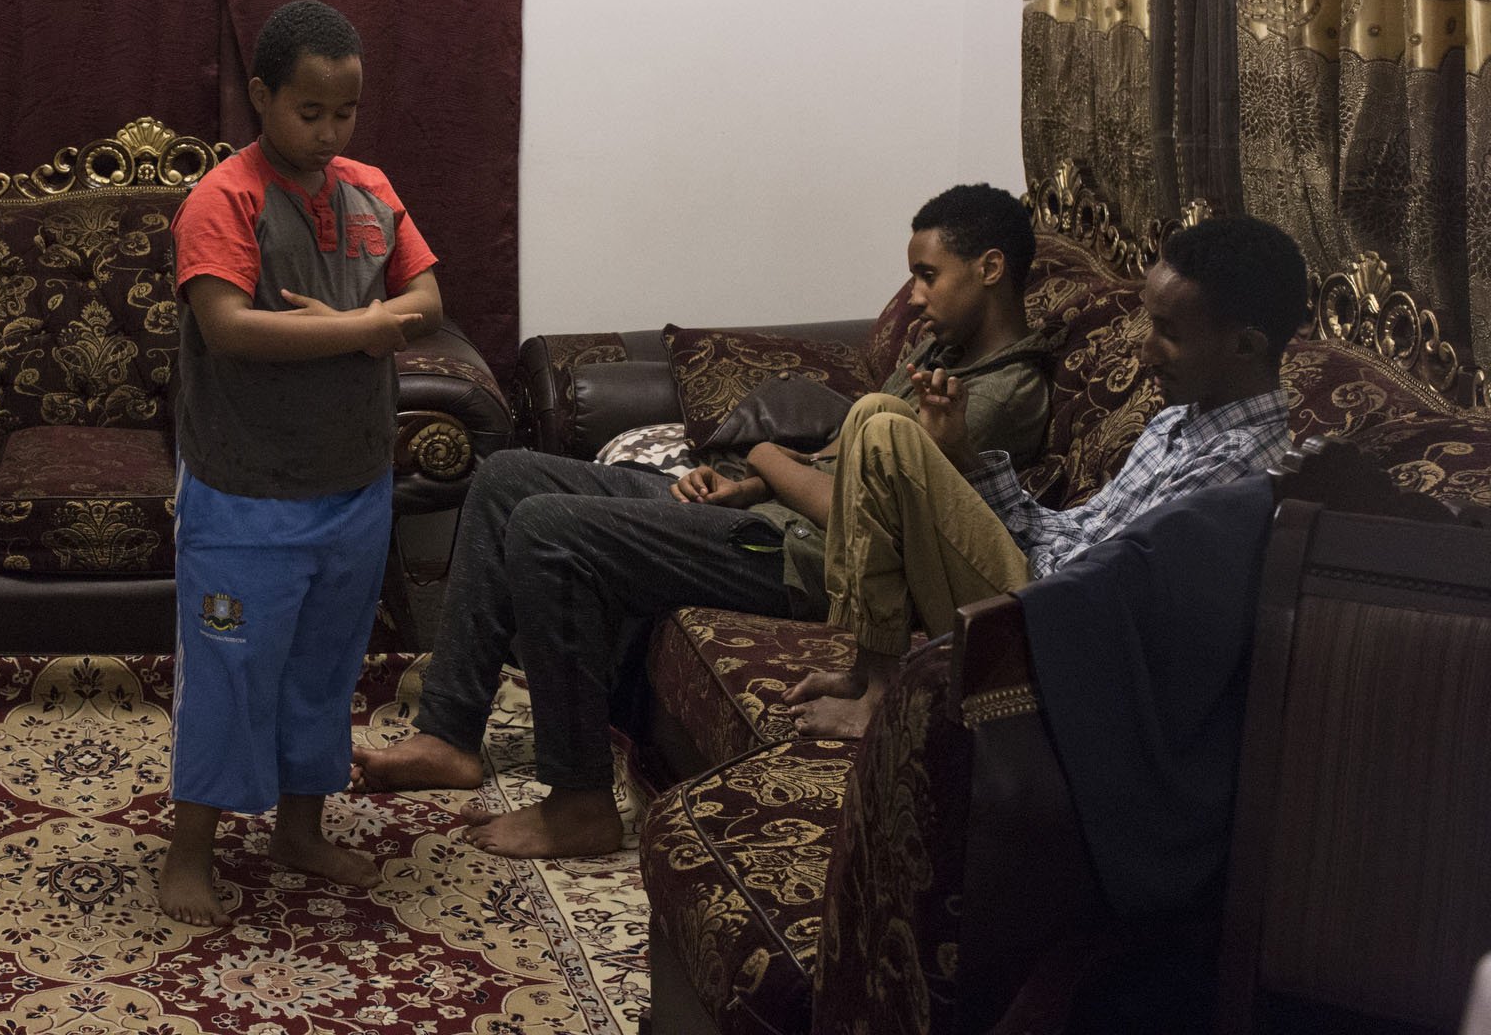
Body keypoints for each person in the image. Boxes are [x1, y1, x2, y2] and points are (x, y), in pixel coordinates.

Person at [355, 184, 1057, 857]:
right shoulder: (937, 356)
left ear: (990, 268)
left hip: (801, 556)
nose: (916, 297)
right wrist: (744, 483)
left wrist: (765, 454)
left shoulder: (1001, 392)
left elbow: (866, 525)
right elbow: (842, 459)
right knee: (507, 476)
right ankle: (448, 732)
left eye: (929, 276)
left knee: (545, 528)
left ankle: (579, 802)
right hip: (765, 516)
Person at [784, 212, 1306, 740]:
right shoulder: (1183, 418)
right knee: (876, 411)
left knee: (887, 438)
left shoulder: (1237, 469)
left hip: (1062, 644)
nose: (1145, 351)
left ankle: (879, 701)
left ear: (1246, 345)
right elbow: (1082, 533)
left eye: (1168, 334)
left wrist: (959, 511)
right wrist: (963, 455)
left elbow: (1094, 588)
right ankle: (870, 670)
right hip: (1054, 592)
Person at [158, 0, 444, 925]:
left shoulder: (371, 188)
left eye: (345, 113)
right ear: (259, 98)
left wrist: (369, 324)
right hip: (245, 496)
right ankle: (190, 852)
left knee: (325, 667)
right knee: (230, 670)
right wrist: (370, 328)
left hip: (355, 485)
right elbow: (229, 329)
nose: (328, 132)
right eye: (308, 112)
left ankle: (300, 829)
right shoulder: (222, 200)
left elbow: (428, 298)